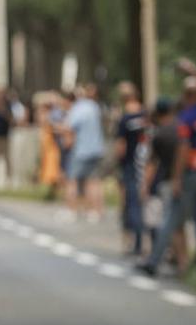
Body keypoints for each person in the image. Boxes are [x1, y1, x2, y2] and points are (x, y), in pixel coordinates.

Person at [138, 58, 196, 276]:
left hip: (192, 170)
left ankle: (153, 261)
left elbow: (183, 149)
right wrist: (195, 69)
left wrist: (177, 178)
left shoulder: (186, 117)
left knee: (172, 219)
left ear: (187, 96)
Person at [142, 97, 187, 270]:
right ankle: (180, 259)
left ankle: (161, 260)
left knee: (169, 223)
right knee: (179, 224)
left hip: (168, 181)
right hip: (184, 181)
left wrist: (145, 186)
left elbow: (152, 164)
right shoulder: (182, 128)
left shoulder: (160, 134)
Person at [63, 84, 105, 223]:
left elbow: (69, 128)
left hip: (81, 150)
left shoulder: (78, 109)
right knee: (94, 181)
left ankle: (71, 210)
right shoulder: (94, 107)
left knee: (72, 180)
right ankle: (95, 211)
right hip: (96, 149)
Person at [114, 82, 147, 256]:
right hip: (145, 164)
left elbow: (121, 147)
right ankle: (144, 242)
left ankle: (132, 242)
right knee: (143, 203)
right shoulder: (145, 115)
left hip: (129, 165)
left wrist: (116, 161)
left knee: (129, 204)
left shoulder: (125, 119)